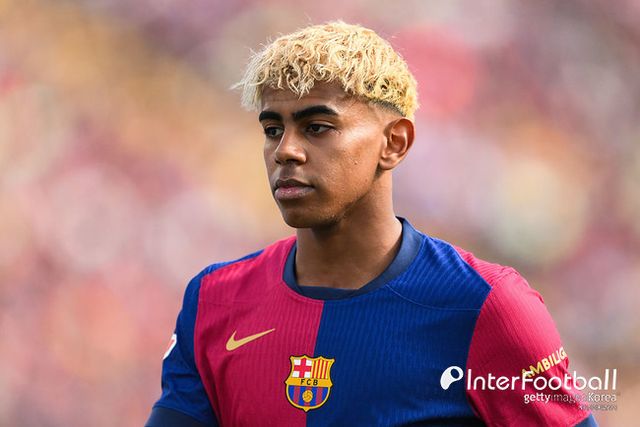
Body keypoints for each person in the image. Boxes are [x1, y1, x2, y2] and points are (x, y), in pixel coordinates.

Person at [146, 21, 597, 427]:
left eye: (317, 127)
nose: (285, 150)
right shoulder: (213, 300)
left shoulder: (488, 306)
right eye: (272, 130)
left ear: (394, 143)